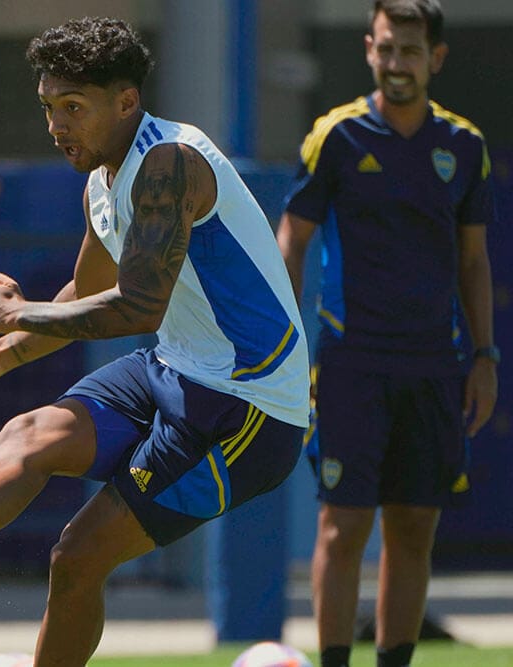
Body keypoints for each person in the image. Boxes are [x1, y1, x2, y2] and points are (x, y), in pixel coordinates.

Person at [0, 16, 310, 667]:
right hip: (175, 368)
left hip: (249, 407)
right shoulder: (103, 180)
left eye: (73, 107)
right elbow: (83, 289)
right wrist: (4, 352)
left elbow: (136, 304)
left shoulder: (169, 165)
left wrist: (17, 312)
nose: (57, 126)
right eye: (48, 107)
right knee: (30, 432)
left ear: (127, 101)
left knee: (76, 556)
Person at [275, 2, 498, 667]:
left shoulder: (465, 146)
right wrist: (283, 345)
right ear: (368, 49)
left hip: (436, 366)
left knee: (413, 526)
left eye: (409, 50)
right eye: (384, 49)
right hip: (350, 366)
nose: (396, 63)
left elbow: (473, 260)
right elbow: (293, 239)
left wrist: (484, 356)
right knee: (342, 526)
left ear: (436, 57)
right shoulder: (335, 136)